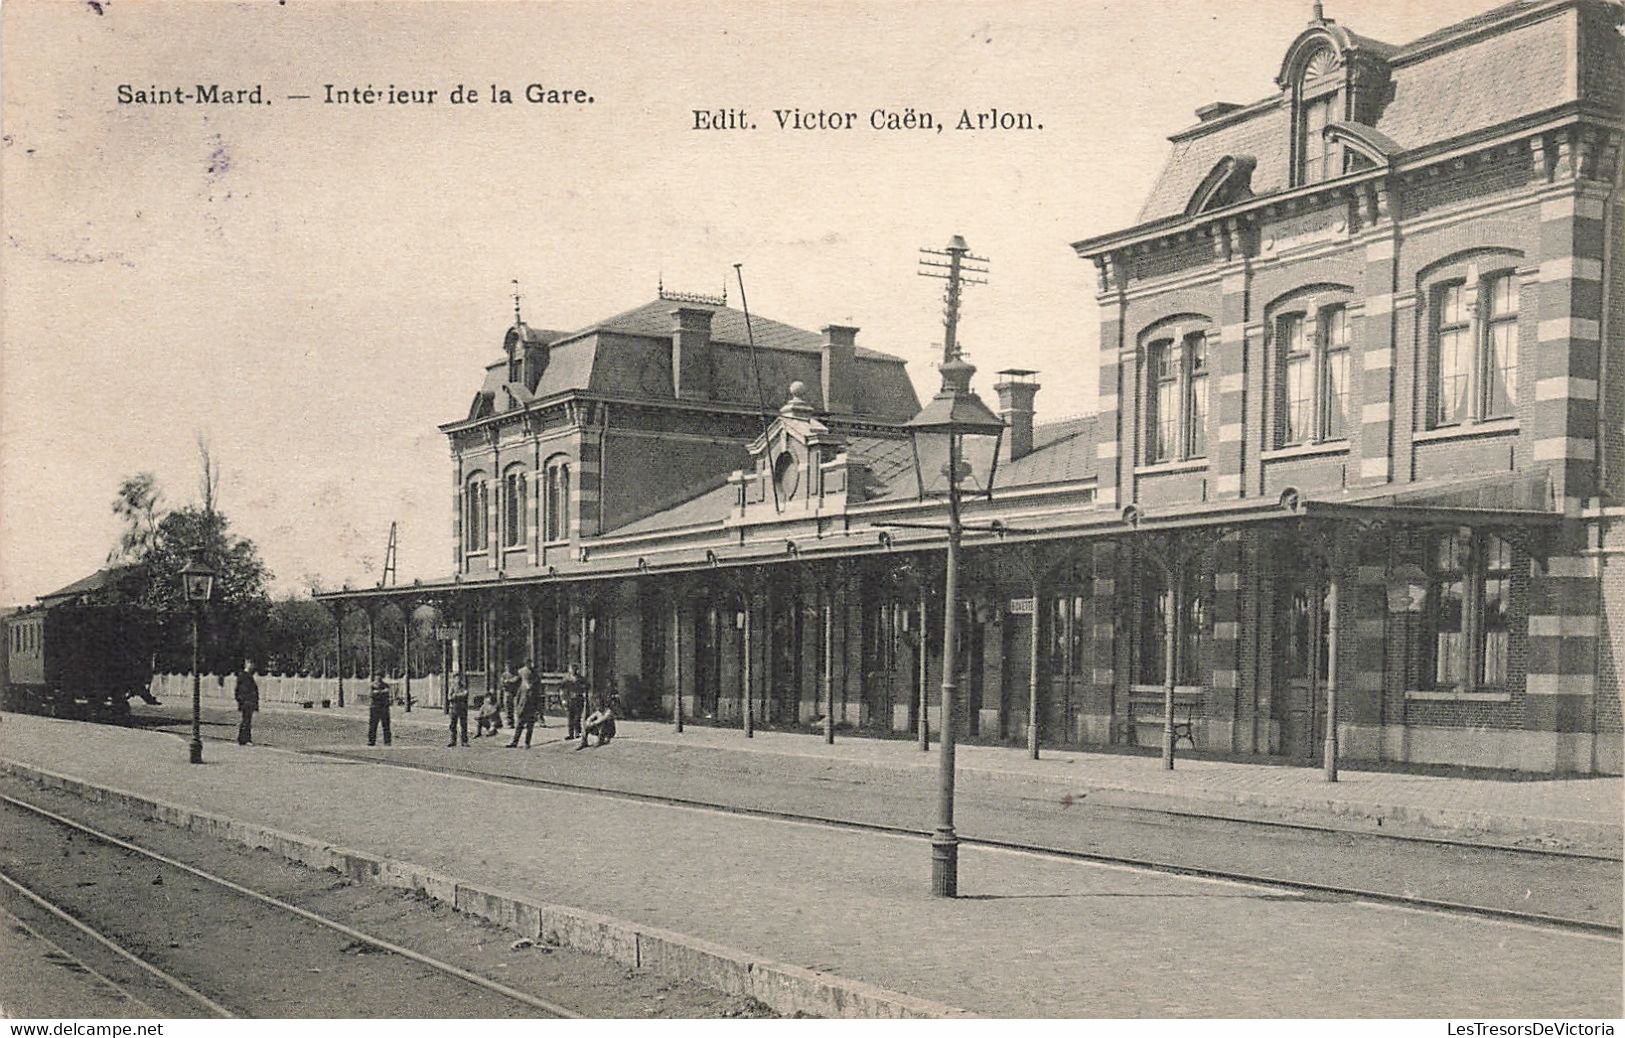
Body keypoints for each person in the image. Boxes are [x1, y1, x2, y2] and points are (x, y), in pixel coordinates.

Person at [506, 670, 540, 748]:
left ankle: (527, 743)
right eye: (527, 679)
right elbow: (517, 698)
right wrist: (517, 709)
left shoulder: (534, 690)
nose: (528, 681)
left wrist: (537, 712)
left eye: (530, 679)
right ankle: (515, 742)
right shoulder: (522, 688)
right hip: (522, 709)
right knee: (519, 726)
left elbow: (538, 702)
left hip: (531, 710)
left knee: (529, 728)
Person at [234, 660, 259, 745]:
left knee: (247, 720)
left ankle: (243, 738)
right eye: (251, 664)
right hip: (247, 702)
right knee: (246, 721)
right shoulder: (244, 676)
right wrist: (243, 700)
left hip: (248, 702)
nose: (253, 666)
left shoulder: (247, 676)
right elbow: (241, 690)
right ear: (247, 665)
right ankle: (244, 739)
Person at [561, 663, 587, 740]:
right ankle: (571, 734)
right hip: (569, 699)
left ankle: (577, 732)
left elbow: (587, 686)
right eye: (572, 669)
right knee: (570, 718)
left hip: (578, 699)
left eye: (575, 669)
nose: (573, 671)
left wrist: (582, 690)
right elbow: (562, 689)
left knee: (577, 717)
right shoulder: (566, 679)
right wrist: (563, 699)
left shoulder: (581, 678)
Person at [516, 658, 546, 728]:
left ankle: (540, 721)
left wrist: (534, 685)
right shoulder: (521, 671)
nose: (529, 664)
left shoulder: (534, 671)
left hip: (533, 691)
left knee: (537, 706)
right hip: (524, 691)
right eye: (527, 663)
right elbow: (518, 680)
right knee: (523, 706)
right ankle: (521, 722)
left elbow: (538, 680)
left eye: (530, 663)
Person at [367, 675, 392, 746]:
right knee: (373, 725)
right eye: (377, 677)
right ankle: (371, 741)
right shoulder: (372, 685)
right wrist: (382, 692)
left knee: (386, 725)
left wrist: (378, 692)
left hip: (383, 707)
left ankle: (387, 741)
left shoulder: (385, 685)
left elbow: (387, 693)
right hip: (375, 708)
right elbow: (372, 694)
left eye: (379, 677)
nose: (378, 679)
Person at [446, 677, 470, 747]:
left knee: (464, 725)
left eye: (459, 678)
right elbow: (450, 697)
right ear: (454, 680)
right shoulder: (452, 687)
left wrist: (456, 695)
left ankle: (464, 741)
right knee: (453, 726)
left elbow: (465, 694)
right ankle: (453, 741)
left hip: (462, 708)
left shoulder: (464, 687)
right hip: (454, 708)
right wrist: (458, 695)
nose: (458, 680)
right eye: (456, 679)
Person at [498, 663, 520, 729]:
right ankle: (510, 722)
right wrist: (505, 682)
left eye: (510, 666)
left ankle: (520, 723)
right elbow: (502, 682)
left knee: (517, 707)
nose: (508, 668)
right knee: (508, 707)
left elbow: (516, 680)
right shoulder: (504, 674)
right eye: (507, 667)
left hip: (515, 692)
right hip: (507, 692)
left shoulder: (516, 673)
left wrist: (508, 681)